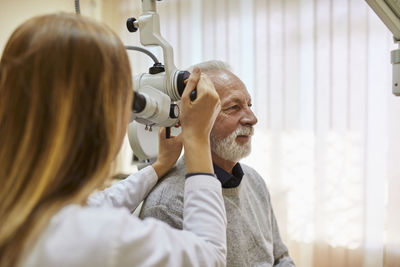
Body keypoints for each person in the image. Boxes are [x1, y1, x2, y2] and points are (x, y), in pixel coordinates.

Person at [0, 14, 226, 267]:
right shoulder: (100, 238)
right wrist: (197, 139)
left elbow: (98, 204)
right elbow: (210, 257)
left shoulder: (22, 207)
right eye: (128, 101)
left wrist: (160, 165)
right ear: (100, 117)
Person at [140, 60, 296, 267]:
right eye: (234, 107)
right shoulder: (167, 205)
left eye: (249, 105)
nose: (252, 118)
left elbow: (280, 257)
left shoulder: (254, 180)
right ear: (195, 118)